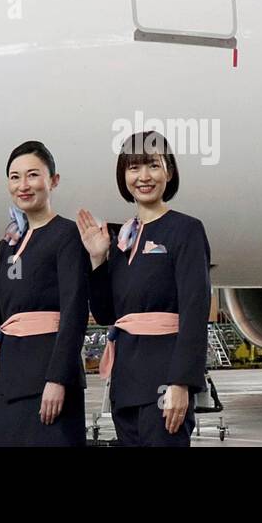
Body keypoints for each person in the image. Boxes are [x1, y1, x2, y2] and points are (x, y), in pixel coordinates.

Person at [76, 131, 211, 447]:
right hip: (126, 384)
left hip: (165, 381)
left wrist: (182, 383)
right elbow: (108, 313)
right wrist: (97, 260)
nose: (144, 177)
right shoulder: (122, 238)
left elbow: (195, 310)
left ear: (169, 171)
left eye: (152, 166)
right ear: (123, 176)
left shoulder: (186, 230)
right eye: (134, 168)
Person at [0, 140, 88, 447]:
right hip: (10, 379)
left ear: (53, 181)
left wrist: (58, 379)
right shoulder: (9, 243)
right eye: (15, 177)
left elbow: (74, 312)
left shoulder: (66, 235)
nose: (23, 185)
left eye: (32, 175)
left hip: (49, 378)